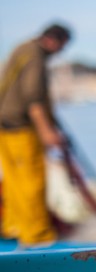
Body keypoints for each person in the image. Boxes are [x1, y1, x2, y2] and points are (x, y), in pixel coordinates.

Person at [0, 23, 71, 248]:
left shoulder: (22, 48)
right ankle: (37, 235)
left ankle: (14, 226)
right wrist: (48, 132)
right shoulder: (36, 57)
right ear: (54, 41)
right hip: (21, 127)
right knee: (32, 180)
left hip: (5, 124)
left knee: (14, 180)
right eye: (62, 47)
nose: (60, 53)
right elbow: (34, 99)